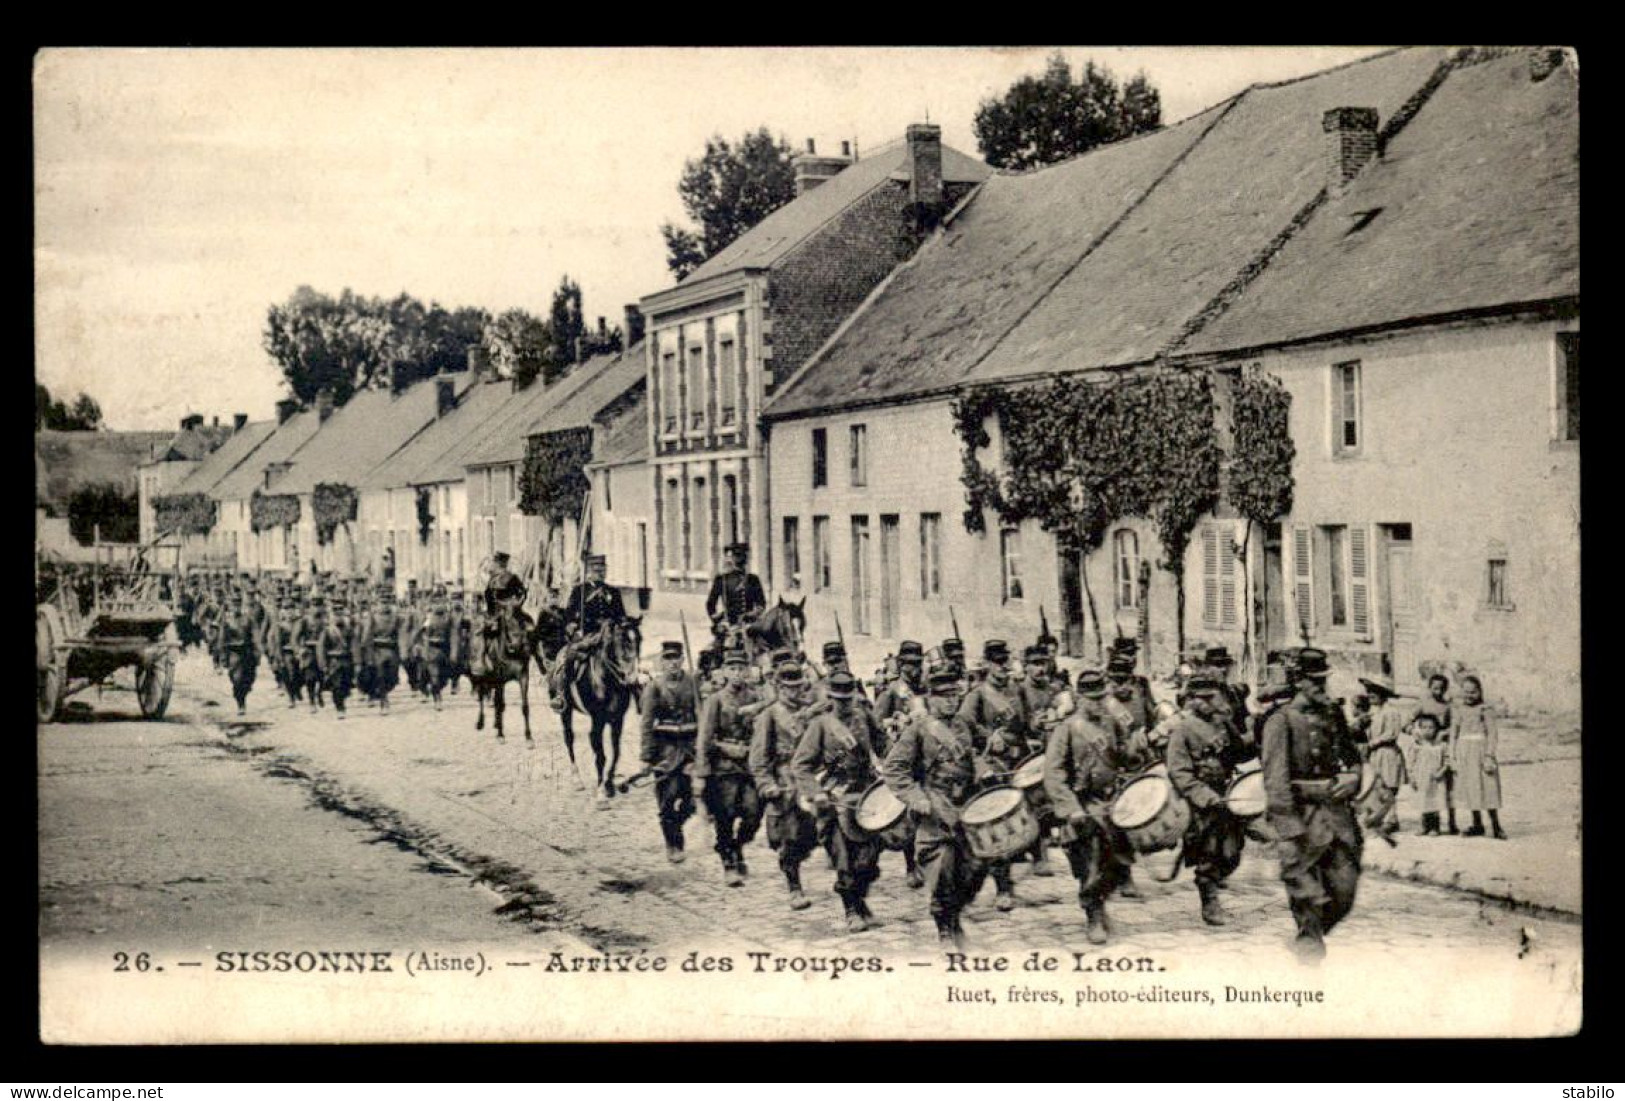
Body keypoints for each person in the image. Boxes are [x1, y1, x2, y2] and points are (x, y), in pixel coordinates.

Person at [1261, 647, 1365, 961]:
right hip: (1302, 815)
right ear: (1299, 682)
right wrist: (1288, 829)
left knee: (1344, 892)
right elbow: (1275, 779)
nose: (1322, 686)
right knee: (1307, 892)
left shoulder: (1333, 714)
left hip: (1336, 815)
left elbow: (1353, 758)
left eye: (1323, 680)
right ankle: (1308, 949)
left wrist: (1354, 778)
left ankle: (1311, 935)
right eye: (1314, 681)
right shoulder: (1280, 721)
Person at [884, 661, 985, 947]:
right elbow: (894, 769)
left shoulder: (964, 724)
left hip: (966, 804)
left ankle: (954, 915)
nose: (951, 700)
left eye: (954, 694)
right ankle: (945, 927)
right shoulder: (919, 729)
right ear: (931, 698)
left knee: (974, 869)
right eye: (944, 695)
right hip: (935, 808)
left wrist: (982, 764)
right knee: (942, 871)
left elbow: (975, 751)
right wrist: (916, 798)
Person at [1045, 667, 1147, 944]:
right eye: (1091, 698)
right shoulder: (1066, 728)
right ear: (1079, 698)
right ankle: (1093, 912)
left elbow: (1126, 757)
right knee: (1090, 862)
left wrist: (1138, 747)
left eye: (1101, 697)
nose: (1097, 703)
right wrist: (1070, 808)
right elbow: (1053, 774)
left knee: (1116, 860)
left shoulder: (1111, 723)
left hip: (1111, 801)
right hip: (1083, 804)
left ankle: (1100, 902)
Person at [792, 670, 887, 932]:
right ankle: (851, 910)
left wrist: (892, 765)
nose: (845, 703)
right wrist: (816, 793)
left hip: (867, 795)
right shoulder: (820, 725)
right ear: (831, 698)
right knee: (844, 858)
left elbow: (883, 745)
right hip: (835, 798)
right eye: (839, 699)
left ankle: (861, 902)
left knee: (869, 857)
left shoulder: (865, 717)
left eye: (849, 698)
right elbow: (800, 765)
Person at [1164, 673, 1250, 926]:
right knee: (1209, 851)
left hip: (1227, 795)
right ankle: (1209, 902)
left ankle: (1215, 880)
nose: (1204, 703)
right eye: (1198, 698)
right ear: (1190, 700)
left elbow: (1239, 754)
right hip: (1200, 802)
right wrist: (1205, 797)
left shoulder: (1224, 724)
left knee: (1233, 850)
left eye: (1209, 697)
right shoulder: (1182, 730)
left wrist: (1257, 736)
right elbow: (1179, 772)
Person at [957, 639, 1027, 910]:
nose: (1003, 667)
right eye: (997, 662)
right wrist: (988, 736)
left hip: (1014, 764)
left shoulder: (1016, 690)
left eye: (1005, 661)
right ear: (987, 664)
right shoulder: (976, 695)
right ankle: (1002, 887)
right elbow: (963, 726)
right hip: (989, 768)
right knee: (995, 828)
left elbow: (1025, 723)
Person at [695, 647, 770, 885]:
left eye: (741, 668)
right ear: (725, 672)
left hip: (750, 764)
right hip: (723, 766)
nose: (737, 673)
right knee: (724, 815)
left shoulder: (756, 697)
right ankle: (728, 860)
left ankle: (738, 846)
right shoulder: (715, 700)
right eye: (733, 669)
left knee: (754, 813)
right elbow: (705, 738)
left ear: (747, 671)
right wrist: (702, 772)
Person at [750, 662, 820, 910]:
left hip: (811, 777)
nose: (793, 692)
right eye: (788, 688)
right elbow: (758, 758)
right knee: (790, 838)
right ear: (778, 687)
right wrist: (766, 784)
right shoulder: (769, 715)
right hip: (784, 780)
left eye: (797, 687)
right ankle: (794, 887)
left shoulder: (811, 712)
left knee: (819, 831)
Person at [638, 641, 700, 863]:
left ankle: (677, 826)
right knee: (666, 801)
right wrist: (646, 757)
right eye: (668, 658)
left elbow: (701, 714)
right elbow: (646, 723)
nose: (672, 662)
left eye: (676, 658)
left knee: (692, 800)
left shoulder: (693, 682)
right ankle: (673, 844)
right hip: (665, 750)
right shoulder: (654, 686)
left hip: (690, 750)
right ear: (662, 661)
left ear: (682, 660)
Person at [1451, 675, 1506, 839]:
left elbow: (1492, 733)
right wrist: (1452, 755)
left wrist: (1489, 755)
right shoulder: (1458, 709)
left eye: (1473, 692)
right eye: (1466, 692)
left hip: (1481, 752)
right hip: (1464, 752)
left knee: (1488, 787)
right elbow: (1454, 733)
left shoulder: (1485, 709)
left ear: (1480, 692)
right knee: (1471, 787)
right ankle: (1477, 824)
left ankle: (1496, 825)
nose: (1469, 696)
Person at [1417, 674, 1457, 833]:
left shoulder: (1448, 707)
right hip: (1426, 746)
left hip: (1441, 746)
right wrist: (1417, 734)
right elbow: (1408, 722)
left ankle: (1451, 823)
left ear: (1445, 689)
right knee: (1426, 788)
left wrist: (1443, 734)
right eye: (1434, 688)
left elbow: (1453, 726)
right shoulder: (1423, 704)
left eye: (1441, 688)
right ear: (1429, 687)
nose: (1438, 691)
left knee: (1445, 787)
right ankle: (1426, 825)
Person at [706, 542, 767, 637]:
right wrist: (718, 619)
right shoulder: (722, 579)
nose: (739, 559)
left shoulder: (753, 579)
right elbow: (710, 604)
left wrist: (753, 614)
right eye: (736, 556)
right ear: (732, 558)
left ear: (746, 559)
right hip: (728, 625)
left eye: (742, 556)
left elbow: (761, 603)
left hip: (749, 625)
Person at [360, 589, 403, 712]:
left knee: (393, 678)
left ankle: (383, 693)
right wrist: (366, 651)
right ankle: (384, 700)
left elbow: (401, 633)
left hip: (392, 650)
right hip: (377, 650)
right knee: (381, 675)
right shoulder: (372, 617)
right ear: (377, 603)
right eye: (382, 602)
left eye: (386, 602)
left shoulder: (396, 617)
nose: (384, 604)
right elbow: (366, 635)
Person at [1408, 711, 1450, 835]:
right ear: (1419, 729)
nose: (1428, 730)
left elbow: (1447, 760)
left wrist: (1441, 771)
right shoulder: (1417, 745)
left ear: (1437, 729)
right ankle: (1424, 826)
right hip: (1421, 777)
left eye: (1431, 727)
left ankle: (1435, 827)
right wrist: (1412, 777)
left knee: (1435, 802)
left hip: (1436, 778)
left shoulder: (1441, 745)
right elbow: (1410, 762)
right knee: (1423, 802)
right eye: (1424, 727)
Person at [219, 595, 260, 717]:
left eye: (238, 605)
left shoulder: (248, 620)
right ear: (230, 607)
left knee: (249, 679)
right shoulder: (227, 621)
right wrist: (223, 657)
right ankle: (241, 704)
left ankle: (244, 694)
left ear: (241, 606)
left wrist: (257, 652)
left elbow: (255, 636)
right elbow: (221, 640)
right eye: (233, 605)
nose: (235, 607)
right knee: (237, 680)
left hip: (247, 653)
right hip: (233, 654)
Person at [318, 600, 357, 719]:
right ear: (332, 615)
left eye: (340, 611)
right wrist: (323, 664)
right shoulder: (327, 630)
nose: (338, 614)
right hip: (334, 661)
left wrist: (357, 662)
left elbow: (354, 646)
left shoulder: (349, 629)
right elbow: (321, 648)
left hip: (347, 661)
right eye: (336, 612)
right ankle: (340, 708)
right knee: (337, 686)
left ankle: (342, 700)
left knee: (346, 685)